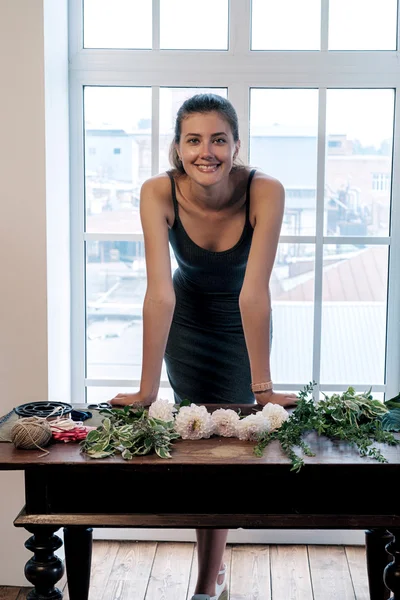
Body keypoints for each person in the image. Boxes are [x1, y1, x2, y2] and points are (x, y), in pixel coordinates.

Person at [110, 93, 298, 600]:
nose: (206, 151)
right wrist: (147, 390)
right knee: (200, 448)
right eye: (193, 140)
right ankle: (208, 581)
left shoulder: (265, 191)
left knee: (235, 450)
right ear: (177, 148)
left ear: (236, 146)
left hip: (242, 326)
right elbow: (159, 293)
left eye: (219, 139)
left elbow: (254, 293)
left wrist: (264, 388)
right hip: (188, 325)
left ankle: (211, 572)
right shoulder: (157, 192)